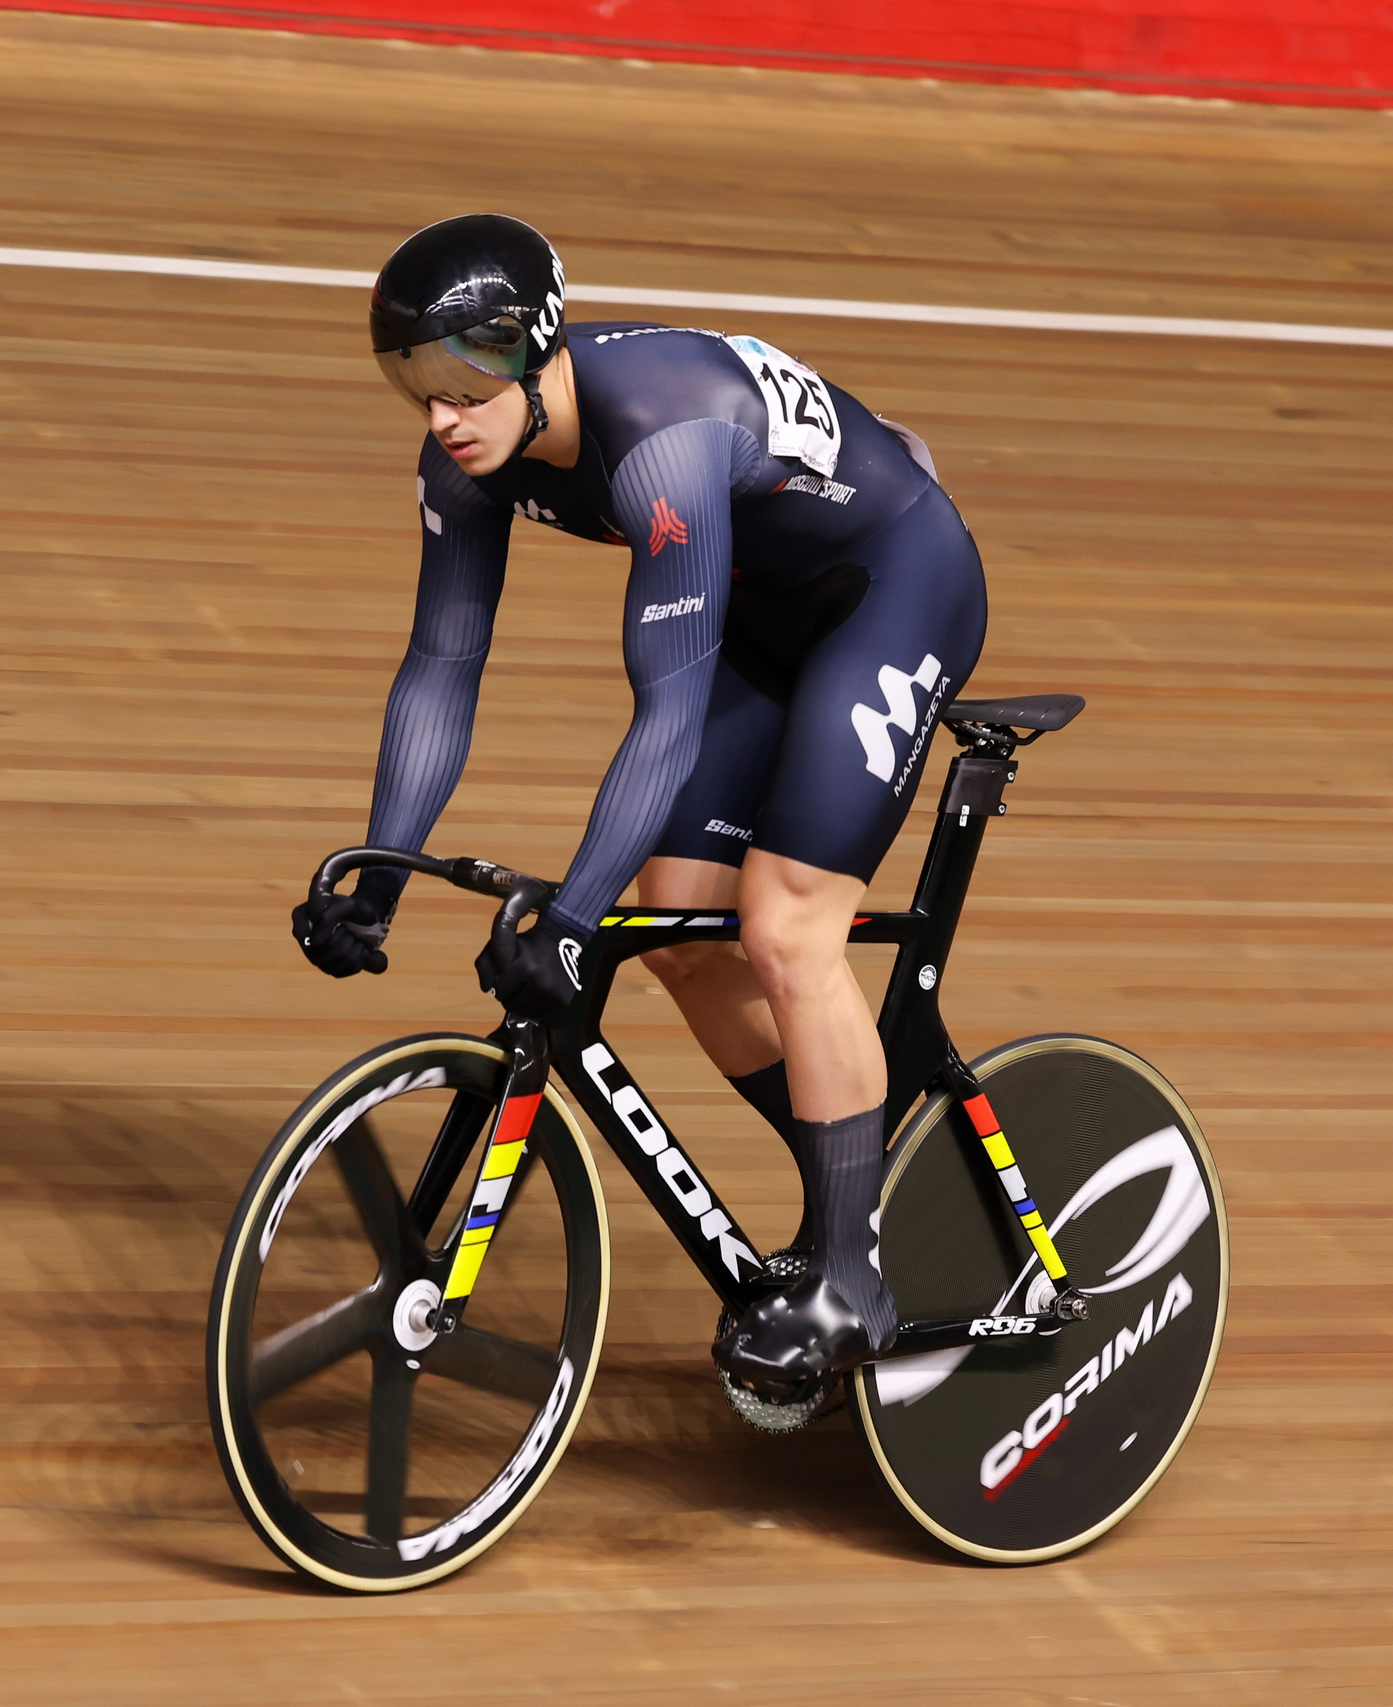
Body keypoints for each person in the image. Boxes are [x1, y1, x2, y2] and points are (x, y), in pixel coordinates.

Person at [290, 214, 987, 1390]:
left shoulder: (659, 436)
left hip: (894, 585)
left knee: (784, 921)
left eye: (465, 373)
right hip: (768, 612)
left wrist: (567, 926)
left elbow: (664, 715)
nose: (442, 412)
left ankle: (853, 1279)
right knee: (681, 937)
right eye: (413, 381)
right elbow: (442, 667)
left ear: (537, 345)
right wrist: (382, 868)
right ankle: (864, 1188)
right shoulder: (465, 454)